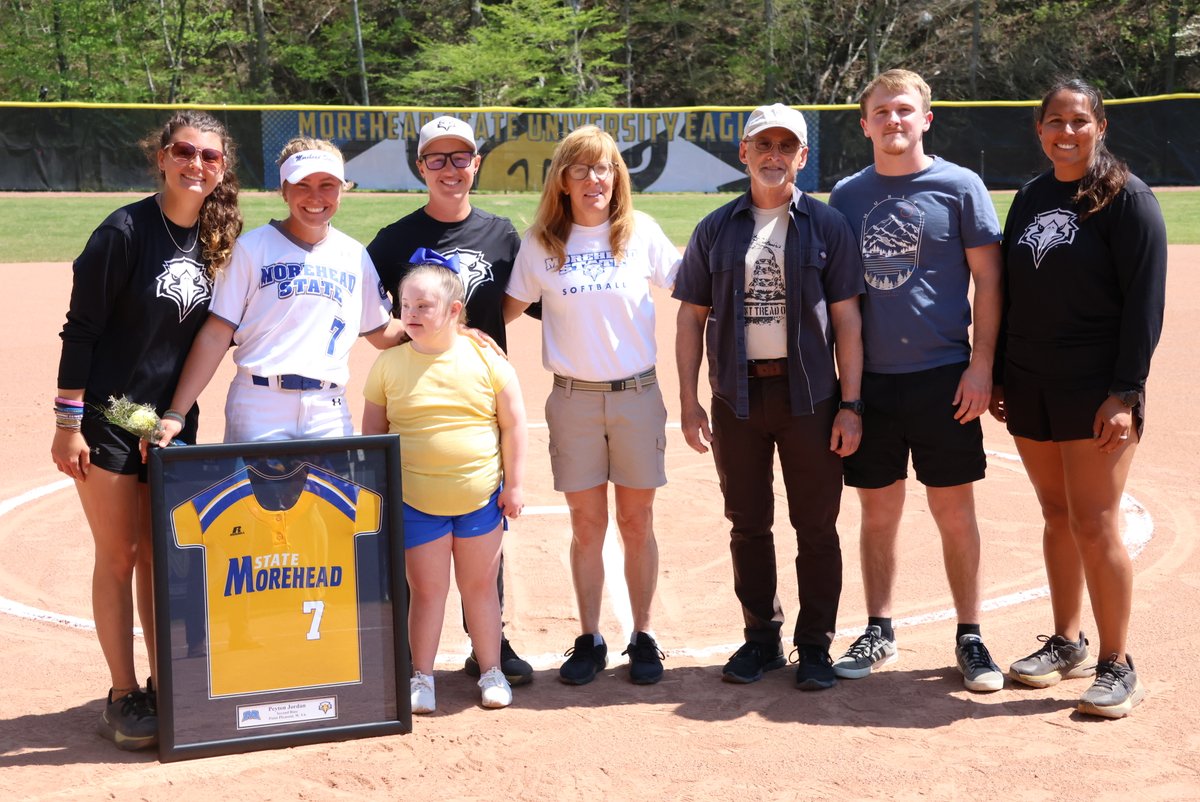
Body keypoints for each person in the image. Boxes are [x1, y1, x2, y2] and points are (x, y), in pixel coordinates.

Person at [52, 111, 242, 749]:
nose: (197, 164)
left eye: (209, 156)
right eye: (184, 151)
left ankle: (167, 681)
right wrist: (67, 425)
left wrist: (172, 417)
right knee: (120, 555)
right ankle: (123, 691)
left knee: (165, 558)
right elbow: (80, 331)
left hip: (169, 423)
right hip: (108, 418)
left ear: (223, 167)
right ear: (161, 157)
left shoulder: (217, 238)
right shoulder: (124, 232)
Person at [990, 78, 1166, 718]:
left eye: (1079, 121)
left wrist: (1124, 393)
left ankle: (1119, 664)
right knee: (1057, 515)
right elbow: (1012, 290)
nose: (1066, 132)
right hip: (1032, 380)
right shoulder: (1032, 197)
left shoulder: (1127, 200)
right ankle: (1067, 641)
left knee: (1095, 521)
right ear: (1039, 131)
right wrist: (1005, 374)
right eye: (1055, 122)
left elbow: (1145, 308)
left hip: (1096, 386)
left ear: (1101, 127)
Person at [673, 103, 864, 691]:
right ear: (745, 154)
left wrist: (851, 405)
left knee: (817, 526)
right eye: (764, 145)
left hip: (810, 397)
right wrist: (689, 399)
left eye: (787, 146)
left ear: (802, 157)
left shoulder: (827, 226)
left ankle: (814, 646)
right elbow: (690, 318)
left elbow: (849, 322)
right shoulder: (715, 228)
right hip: (738, 397)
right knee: (748, 524)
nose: (775, 155)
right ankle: (761, 638)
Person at [827, 69, 1005, 692]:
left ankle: (971, 635)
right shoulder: (847, 196)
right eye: (882, 111)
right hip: (872, 381)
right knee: (878, 511)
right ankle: (879, 629)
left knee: (954, 510)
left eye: (905, 110)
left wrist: (981, 365)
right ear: (865, 123)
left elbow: (990, 281)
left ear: (926, 118)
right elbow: (838, 296)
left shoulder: (959, 186)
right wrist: (846, 396)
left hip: (943, 377)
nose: (894, 120)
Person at [503, 125, 680, 686]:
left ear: (617, 177)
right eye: (579, 169)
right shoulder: (541, 245)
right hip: (573, 401)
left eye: (603, 168)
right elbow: (501, 312)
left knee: (636, 520)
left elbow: (693, 294)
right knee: (586, 523)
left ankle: (644, 635)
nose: (593, 179)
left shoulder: (641, 233)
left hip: (637, 396)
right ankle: (589, 636)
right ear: (562, 182)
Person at [367, 115, 533, 687]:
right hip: (423, 389)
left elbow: (518, 302)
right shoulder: (392, 240)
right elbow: (374, 324)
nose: (449, 169)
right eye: (436, 159)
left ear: (476, 164)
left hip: (478, 395)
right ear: (421, 168)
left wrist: (470, 336)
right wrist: (428, 336)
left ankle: (490, 646)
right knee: (427, 549)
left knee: (481, 522)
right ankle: (418, 658)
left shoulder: (502, 234)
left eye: (459, 157)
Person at [153, 137, 401, 447]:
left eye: (327, 185)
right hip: (260, 402)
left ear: (342, 190)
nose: (315, 196)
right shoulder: (252, 249)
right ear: (283, 190)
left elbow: (381, 332)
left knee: (331, 496)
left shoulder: (354, 255)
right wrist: (176, 412)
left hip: (328, 408)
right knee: (251, 496)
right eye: (302, 185)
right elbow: (216, 334)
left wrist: (448, 330)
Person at [363, 251, 527, 712]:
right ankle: (422, 676)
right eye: (405, 306)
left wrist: (514, 486)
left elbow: (513, 425)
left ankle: (491, 670)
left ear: (455, 311)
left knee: (480, 588)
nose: (411, 315)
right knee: (428, 591)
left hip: (479, 500)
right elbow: (372, 436)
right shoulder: (389, 366)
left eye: (423, 307)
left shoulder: (486, 359)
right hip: (415, 502)